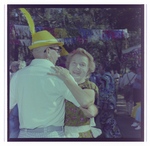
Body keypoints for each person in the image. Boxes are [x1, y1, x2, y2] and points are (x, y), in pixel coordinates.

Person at [10, 8, 93, 138]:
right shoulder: (60, 75)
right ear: (48, 51)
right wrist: (68, 79)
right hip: (51, 136)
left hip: (24, 136)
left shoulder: (17, 76)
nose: (59, 55)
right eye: (58, 50)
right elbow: (85, 102)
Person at [48, 48, 102, 138]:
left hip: (80, 135)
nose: (77, 67)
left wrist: (68, 80)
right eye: (74, 63)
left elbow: (89, 112)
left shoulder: (89, 86)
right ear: (68, 65)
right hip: (59, 133)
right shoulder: (61, 84)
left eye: (82, 65)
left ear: (88, 70)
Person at [97, 62, 122, 138]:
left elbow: (106, 91)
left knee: (104, 120)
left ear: (104, 68)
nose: (99, 68)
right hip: (111, 102)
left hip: (107, 104)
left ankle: (110, 135)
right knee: (110, 119)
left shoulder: (105, 77)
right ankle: (116, 134)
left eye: (100, 67)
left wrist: (105, 103)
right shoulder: (110, 76)